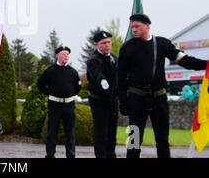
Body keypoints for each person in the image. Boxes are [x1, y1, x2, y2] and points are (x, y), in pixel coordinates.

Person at [118, 14, 208, 158]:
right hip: (136, 100)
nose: (133, 30)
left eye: (137, 26)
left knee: (162, 139)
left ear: (147, 26)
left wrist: (207, 64)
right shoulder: (127, 47)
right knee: (134, 139)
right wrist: (122, 100)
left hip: (159, 99)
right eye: (132, 27)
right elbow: (120, 77)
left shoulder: (163, 44)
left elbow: (185, 60)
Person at [37, 46, 82, 158]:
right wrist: (49, 93)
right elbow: (40, 84)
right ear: (57, 55)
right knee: (52, 132)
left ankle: (70, 155)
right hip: (54, 105)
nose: (66, 56)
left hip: (69, 106)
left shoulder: (73, 72)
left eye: (67, 54)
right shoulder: (50, 70)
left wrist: (70, 95)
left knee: (70, 133)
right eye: (63, 54)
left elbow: (78, 87)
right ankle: (50, 155)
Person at [86, 31, 118, 158]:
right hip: (99, 101)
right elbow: (95, 73)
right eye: (103, 43)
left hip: (112, 100)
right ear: (96, 44)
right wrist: (101, 79)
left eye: (109, 42)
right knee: (101, 132)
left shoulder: (115, 58)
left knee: (112, 131)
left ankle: (111, 155)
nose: (107, 45)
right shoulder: (94, 59)